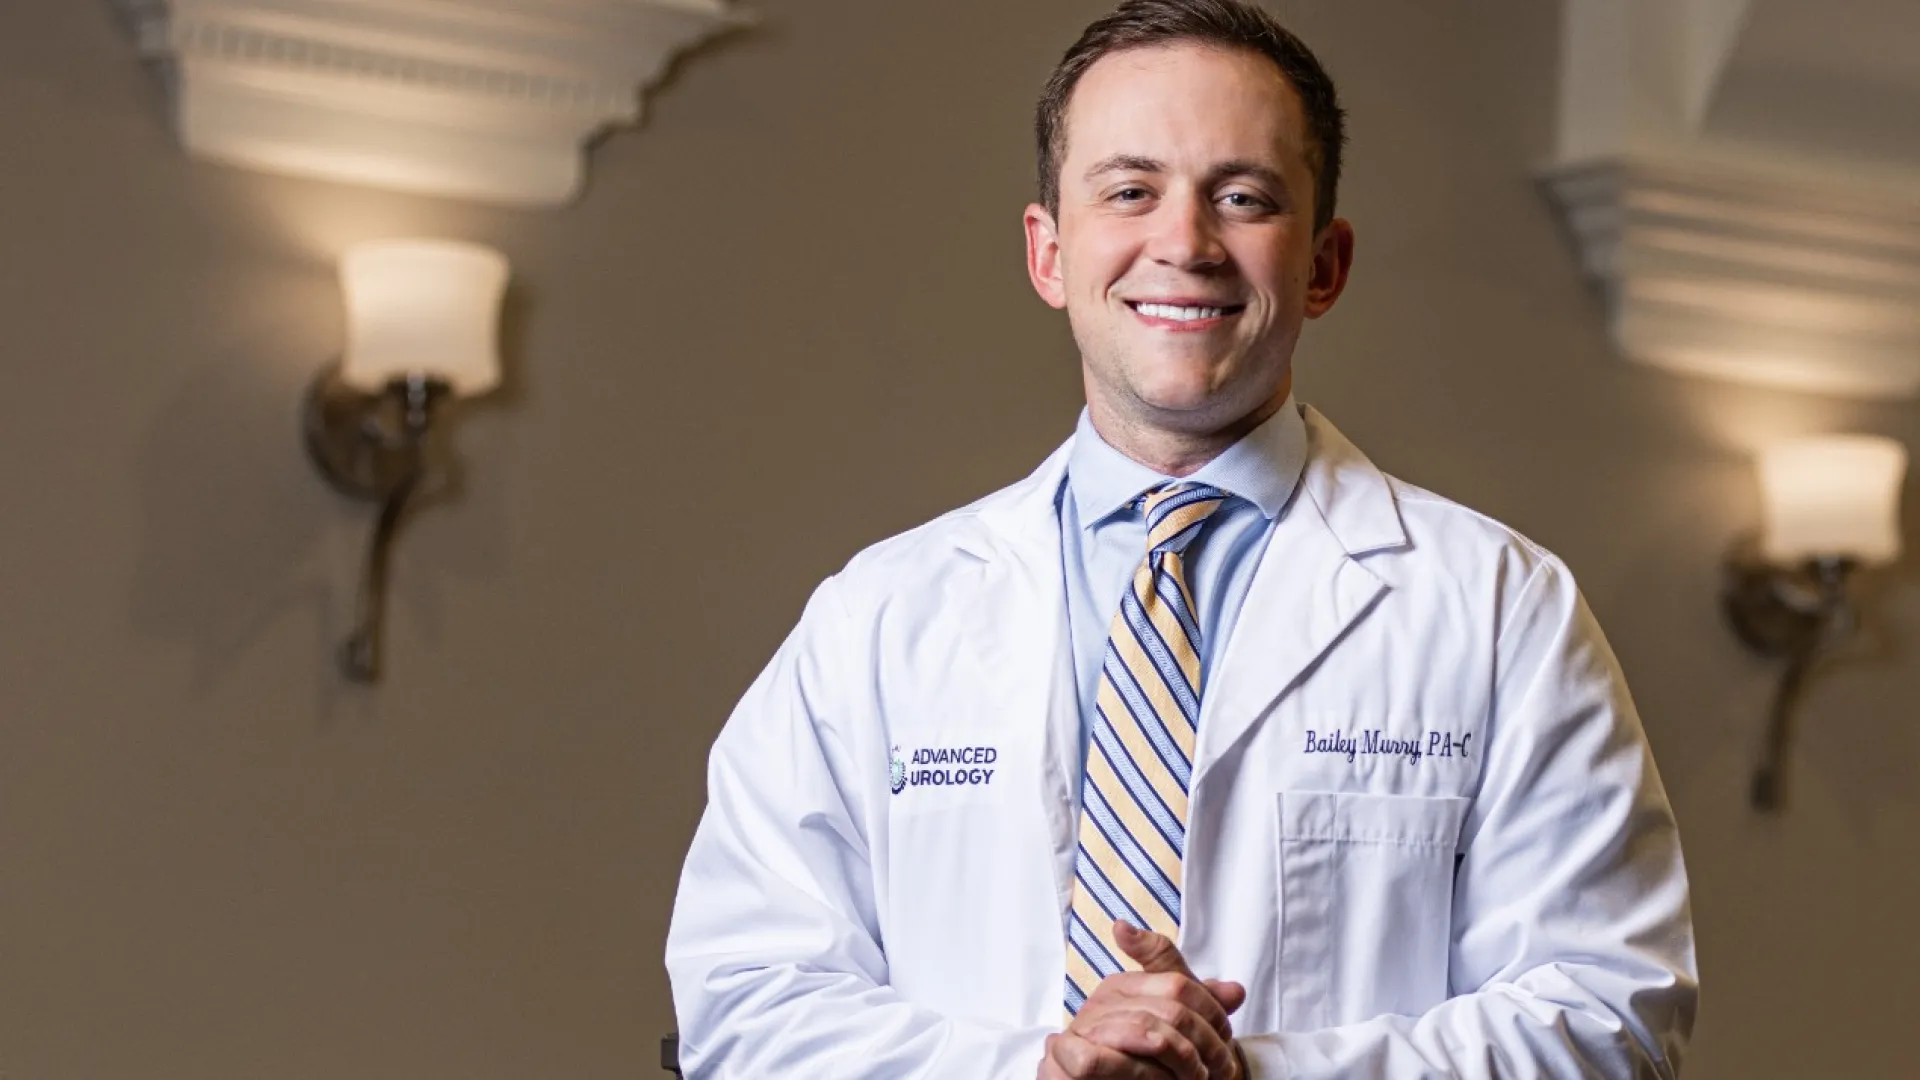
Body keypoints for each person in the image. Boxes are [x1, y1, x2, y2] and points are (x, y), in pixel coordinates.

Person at [664, 0, 1699, 1076]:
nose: (1186, 243)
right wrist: (1046, 1070)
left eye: (1243, 198)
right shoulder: (876, 620)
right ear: (1050, 252)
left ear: (1325, 265)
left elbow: (1606, 1015)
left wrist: (1247, 1072)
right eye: (1130, 191)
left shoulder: (1500, 610)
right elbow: (745, 1004)